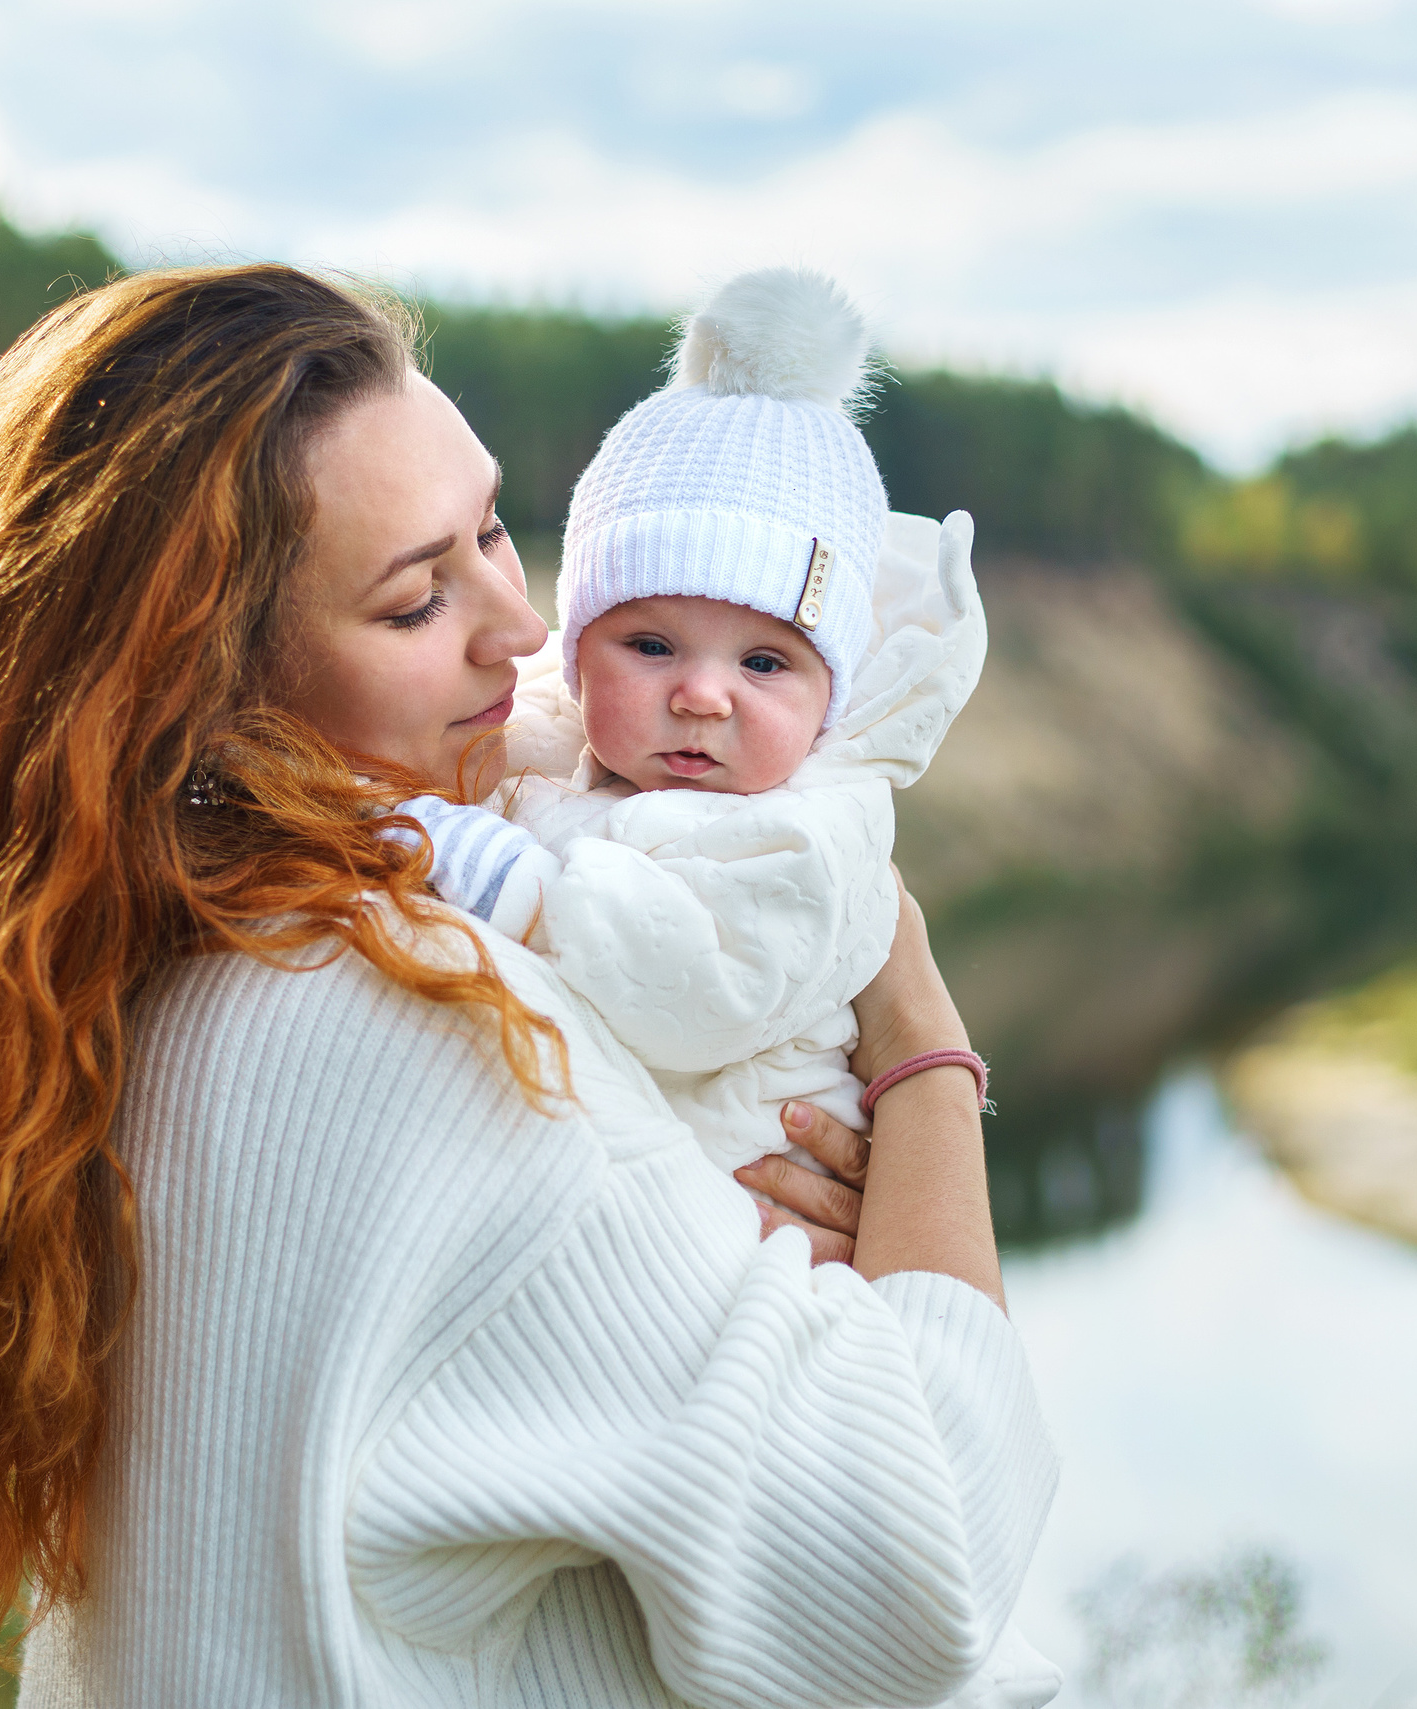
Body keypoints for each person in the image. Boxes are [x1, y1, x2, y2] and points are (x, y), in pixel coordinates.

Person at [0, 262, 1056, 1707]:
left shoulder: (123, 963)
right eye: (421, 599)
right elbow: (924, 1583)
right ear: (211, 688)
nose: (526, 628)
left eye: (494, 527)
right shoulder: (454, 1036)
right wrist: (919, 1040)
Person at [386, 267, 1056, 1709]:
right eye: (652, 644)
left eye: (766, 660)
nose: (703, 696)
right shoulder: (571, 747)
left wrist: (488, 875)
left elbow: (684, 988)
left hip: (795, 1243)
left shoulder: (806, 835)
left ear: (832, 689)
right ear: (580, 645)